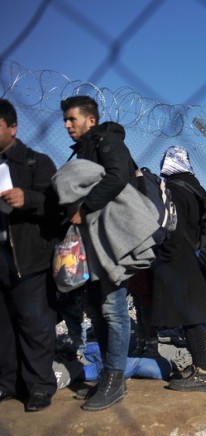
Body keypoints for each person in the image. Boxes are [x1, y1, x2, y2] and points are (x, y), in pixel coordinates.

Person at [61, 95, 139, 411]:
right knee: (95, 307)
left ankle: (115, 379)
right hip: (92, 240)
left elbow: (118, 176)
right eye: (65, 120)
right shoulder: (83, 149)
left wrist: (85, 207)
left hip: (111, 238)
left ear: (90, 120)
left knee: (113, 308)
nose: (67, 125)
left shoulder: (107, 141)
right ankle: (109, 374)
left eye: (72, 119)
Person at [0, 99, 60, 412]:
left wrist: (29, 199)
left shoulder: (36, 163)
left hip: (29, 260)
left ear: (12, 128)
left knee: (35, 325)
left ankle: (39, 387)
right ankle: (7, 383)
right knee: (3, 327)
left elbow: (58, 206)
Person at [150, 146, 206, 392]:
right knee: (193, 317)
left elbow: (172, 228)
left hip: (182, 262)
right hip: (200, 259)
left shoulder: (173, 189)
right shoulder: (196, 187)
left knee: (191, 319)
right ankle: (199, 366)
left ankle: (202, 374)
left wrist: (163, 257)